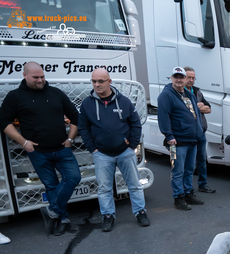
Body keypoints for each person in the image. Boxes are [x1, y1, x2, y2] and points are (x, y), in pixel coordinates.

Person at [0, 62, 80, 236]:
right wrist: (23, 142)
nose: (40, 80)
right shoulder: (15, 97)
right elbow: (4, 122)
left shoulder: (56, 93)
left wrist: (70, 138)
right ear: (25, 76)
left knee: (74, 177)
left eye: (42, 76)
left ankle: (51, 211)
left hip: (62, 148)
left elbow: (75, 116)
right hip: (38, 152)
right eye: (36, 77)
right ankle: (62, 219)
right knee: (51, 186)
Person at [78, 68, 150, 232]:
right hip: (101, 154)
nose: (97, 85)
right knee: (104, 188)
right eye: (94, 81)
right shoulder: (87, 104)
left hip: (125, 152)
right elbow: (83, 128)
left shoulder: (123, 101)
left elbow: (135, 124)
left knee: (134, 185)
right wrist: (92, 149)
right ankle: (108, 216)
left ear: (109, 82)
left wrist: (132, 145)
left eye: (100, 81)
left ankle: (140, 212)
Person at [157, 66, 206, 210]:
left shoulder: (189, 94)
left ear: (185, 79)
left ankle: (188, 193)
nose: (179, 80)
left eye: (181, 77)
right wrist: (169, 135)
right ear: (171, 78)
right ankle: (178, 198)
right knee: (177, 171)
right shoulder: (166, 95)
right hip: (176, 142)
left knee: (190, 169)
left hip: (192, 140)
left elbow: (196, 114)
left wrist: (199, 133)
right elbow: (163, 117)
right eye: (176, 77)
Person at [184, 66, 216, 194]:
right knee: (188, 162)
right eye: (189, 77)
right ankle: (186, 188)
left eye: (193, 78)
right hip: (187, 133)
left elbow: (209, 109)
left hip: (201, 132)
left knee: (202, 160)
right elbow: (184, 111)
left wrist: (196, 108)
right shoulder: (179, 92)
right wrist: (198, 107)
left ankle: (203, 185)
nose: (191, 80)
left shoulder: (197, 91)